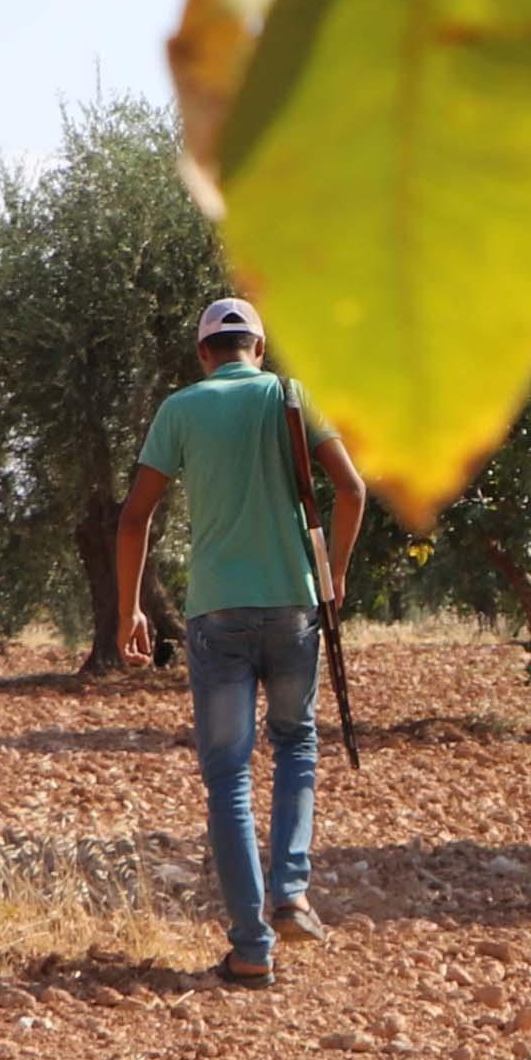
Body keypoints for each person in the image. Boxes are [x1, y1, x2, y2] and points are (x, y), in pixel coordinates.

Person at [112, 297, 367, 988]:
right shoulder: (292, 395)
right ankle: (289, 890)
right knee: (296, 743)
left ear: (204, 353)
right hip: (293, 607)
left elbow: (135, 518)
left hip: (216, 613)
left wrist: (130, 609)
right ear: (259, 346)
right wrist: (334, 574)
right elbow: (352, 489)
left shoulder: (181, 409)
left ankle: (251, 948)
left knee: (227, 777)